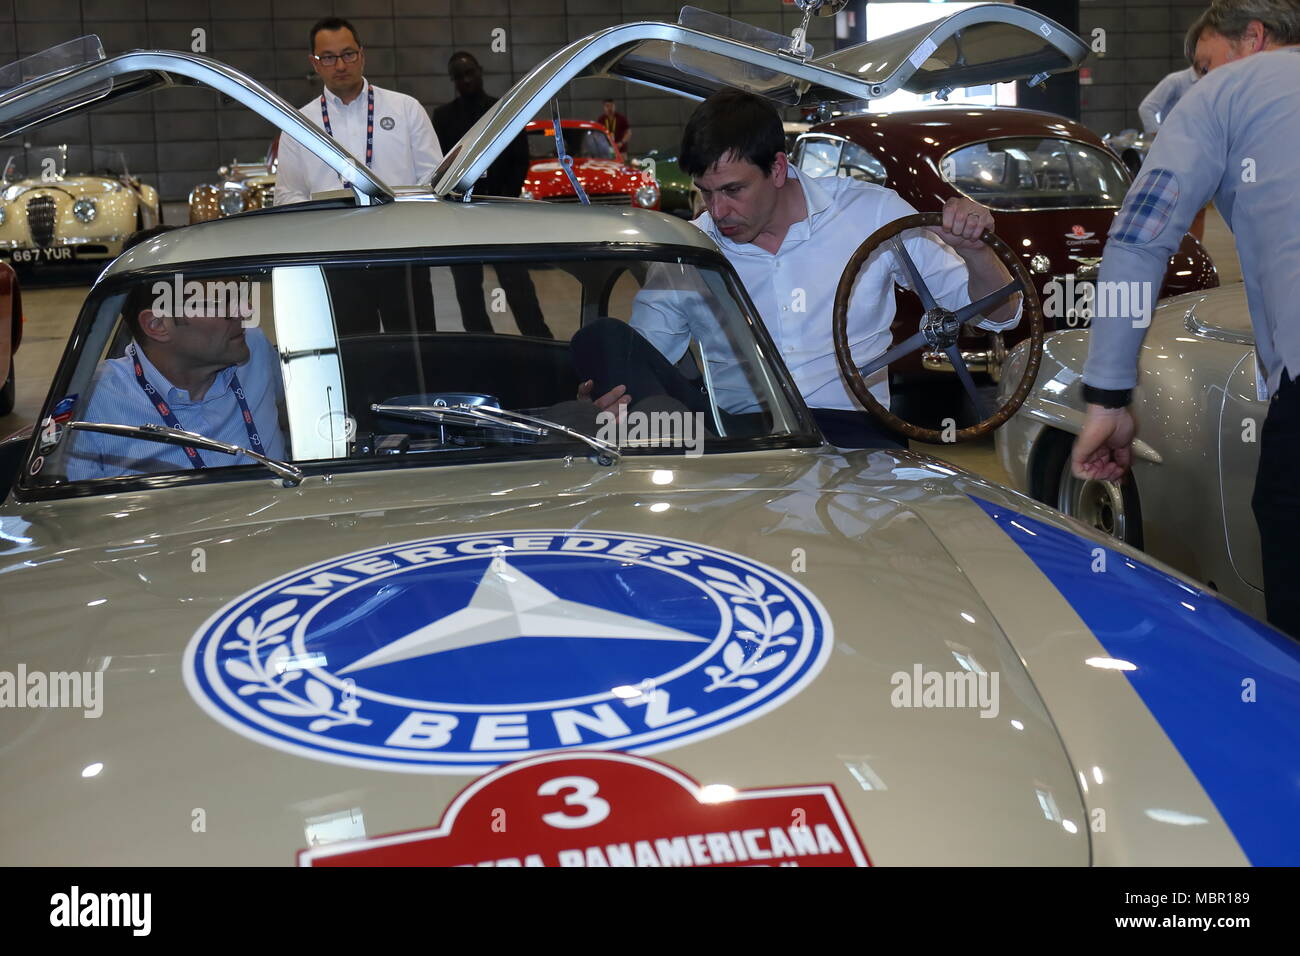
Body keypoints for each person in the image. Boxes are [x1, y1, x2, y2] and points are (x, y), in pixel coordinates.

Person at [577, 89, 1021, 449]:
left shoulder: (872, 215)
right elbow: (644, 355)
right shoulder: (695, 248)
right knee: (603, 339)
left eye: (733, 190)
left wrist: (978, 252)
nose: (718, 210)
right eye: (706, 193)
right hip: (743, 439)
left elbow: (997, 314)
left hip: (854, 431)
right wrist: (605, 397)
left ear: (777, 167)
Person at [1073, 0, 1300, 637]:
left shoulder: (1225, 92)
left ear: (1253, 38)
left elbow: (1139, 240)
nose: (1197, 80)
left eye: (1204, 63)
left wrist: (1108, 394)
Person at [64, 270, 286, 481]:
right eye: (224, 302)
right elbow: (77, 513)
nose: (246, 310)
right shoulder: (90, 401)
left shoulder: (255, 347)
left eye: (241, 294)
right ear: (158, 325)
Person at [432, 52, 551, 338]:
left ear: (480, 71)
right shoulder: (443, 117)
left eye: (469, 73)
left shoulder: (504, 110)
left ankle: (539, 342)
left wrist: (502, 200)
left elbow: (519, 160)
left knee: (519, 287)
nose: (466, 80)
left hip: (501, 213)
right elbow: (440, 164)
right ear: (453, 81)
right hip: (460, 218)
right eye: (459, 76)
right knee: (468, 293)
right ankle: (482, 350)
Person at [275, 17, 443, 205]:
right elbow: (287, 196)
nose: (341, 66)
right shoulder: (298, 125)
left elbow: (433, 180)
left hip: (399, 228)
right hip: (329, 230)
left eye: (348, 54)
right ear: (315, 64)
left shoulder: (406, 109)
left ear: (362, 55)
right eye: (329, 57)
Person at [1138, 66, 1197, 134]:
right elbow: (1146, 108)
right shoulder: (1176, 80)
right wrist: (1161, 136)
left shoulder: (1209, 82)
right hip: (1178, 140)